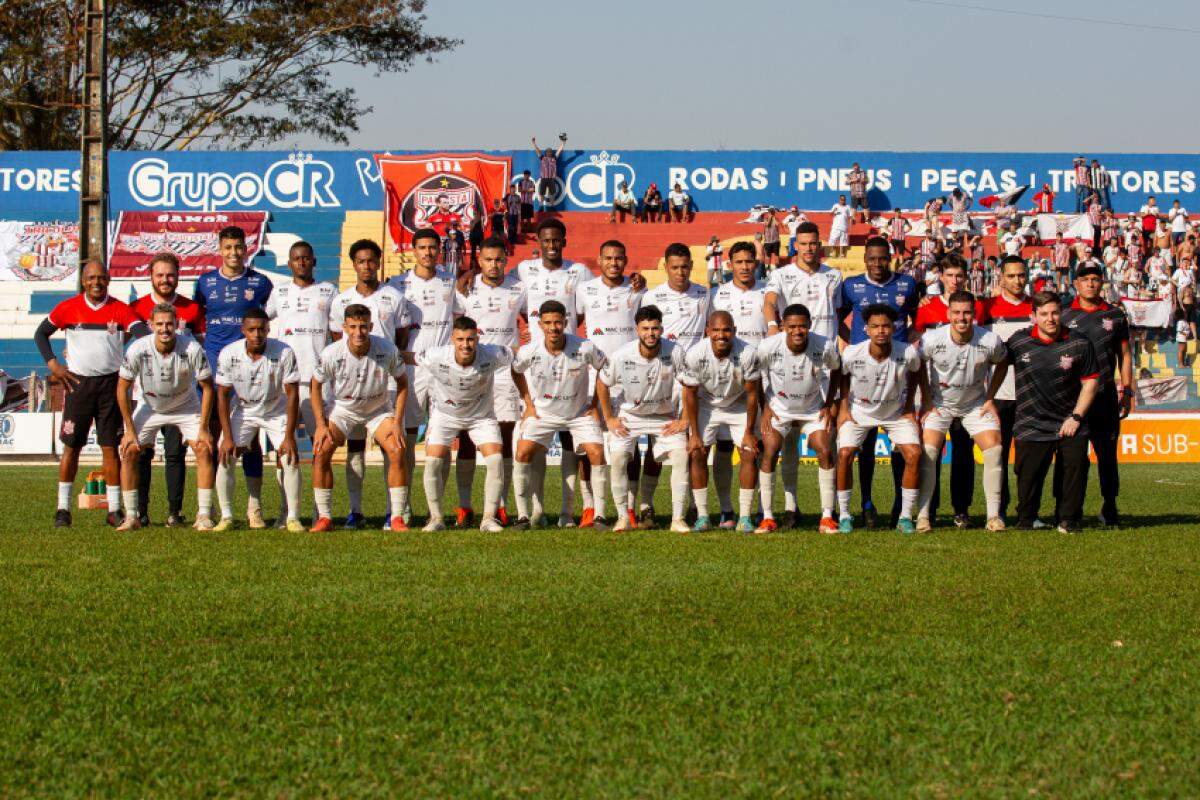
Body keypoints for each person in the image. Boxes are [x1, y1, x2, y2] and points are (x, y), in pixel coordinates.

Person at [35, 259, 145, 527]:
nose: (97, 282)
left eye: (102, 278)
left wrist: (124, 349)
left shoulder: (119, 309)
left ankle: (115, 509)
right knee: (72, 447)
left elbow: (141, 332)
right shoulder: (69, 308)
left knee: (110, 448)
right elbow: (41, 333)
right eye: (91, 278)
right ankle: (63, 508)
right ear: (84, 281)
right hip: (77, 385)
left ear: (108, 280)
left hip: (110, 386)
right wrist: (54, 365)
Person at [762, 221, 843, 526]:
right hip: (789, 361)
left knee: (825, 442)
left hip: (823, 362)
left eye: (813, 243)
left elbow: (839, 314)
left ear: (820, 244)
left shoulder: (834, 274)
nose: (809, 248)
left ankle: (829, 511)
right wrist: (772, 326)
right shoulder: (781, 274)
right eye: (803, 243)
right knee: (787, 446)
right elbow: (769, 302)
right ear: (795, 245)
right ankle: (790, 507)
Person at [415, 317, 528, 532]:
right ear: (452, 340)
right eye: (460, 339)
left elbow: (518, 353)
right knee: (432, 461)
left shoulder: (493, 354)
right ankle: (436, 519)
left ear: (477, 339)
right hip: (445, 416)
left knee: (495, 459)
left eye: (470, 339)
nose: (465, 345)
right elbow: (409, 357)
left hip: (481, 417)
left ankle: (488, 519)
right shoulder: (435, 356)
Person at [192, 225, 273, 527]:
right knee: (213, 438)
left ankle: (254, 507)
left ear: (246, 248)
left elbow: (266, 322)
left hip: (249, 371)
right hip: (214, 373)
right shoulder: (205, 283)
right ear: (220, 249)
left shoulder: (260, 283)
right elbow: (195, 319)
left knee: (249, 440)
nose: (234, 253)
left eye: (238, 247)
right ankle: (209, 507)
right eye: (228, 248)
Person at [837, 236, 918, 528]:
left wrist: (904, 346)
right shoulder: (851, 286)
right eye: (871, 258)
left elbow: (915, 319)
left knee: (901, 447)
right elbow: (837, 318)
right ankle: (866, 503)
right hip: (863, 373)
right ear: (865, 259)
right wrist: (853, 344)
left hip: (896, 372)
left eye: (882, 258)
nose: (877, 263)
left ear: (891, 258)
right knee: (865, 447)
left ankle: (900, 503)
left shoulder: (907, 284)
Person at [329, 238, 408, 528]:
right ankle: (356, 511)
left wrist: (390, 360)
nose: (366, 266)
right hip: (354, 385)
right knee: (355, 448)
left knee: (392, 445)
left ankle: (393, 512)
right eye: (361, 261)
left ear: (379, 263)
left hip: (386, 379)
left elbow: (400, 336)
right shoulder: (341, 301)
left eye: (371, 261)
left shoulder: (394, 296)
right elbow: (338, 341)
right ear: (354, 265)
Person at [114, 303, 214, 530]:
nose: (165, 329)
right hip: (151, 406)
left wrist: (204, 427)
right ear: (151, 325)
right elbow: (122, 388)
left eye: (169, 323)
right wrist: (129, 429)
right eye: (159, 324)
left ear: (177, 324)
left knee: (204, 447)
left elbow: (207, 387)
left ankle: (204, 515)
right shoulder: (138, 348)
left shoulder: (192, 348)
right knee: (129, 450)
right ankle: (131, 516)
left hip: (186, 406)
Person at [310, 304, 410, 532]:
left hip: (378, 408)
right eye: (353, 327)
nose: (358, 332)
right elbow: (315, 386)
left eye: (363, 327)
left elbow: (403, 383)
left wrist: (396, 422)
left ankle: (396, 517)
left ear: (371, 326)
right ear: (344, 327)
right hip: (344, 408)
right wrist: (320, 425)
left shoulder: (386, 349)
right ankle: (325, 518)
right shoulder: (331, 353)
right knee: (321, 450)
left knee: (397, 449)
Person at [1005, 291, 1100, 533]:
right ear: (1033, 316)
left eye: (1055, 312)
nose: (1050, 318)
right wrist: (986, 398)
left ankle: (1068, 519)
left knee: (1075, 467)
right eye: (1044, 314)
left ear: (1062, 313)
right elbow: (994, 363)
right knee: (1028, 478)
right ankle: (1027, 518)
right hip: (1030, 422)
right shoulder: (1018, 341)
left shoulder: (1079, 342)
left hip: (1070, 420)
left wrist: (1076, 416)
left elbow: (1090, 382)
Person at [510, 300, 608, 529]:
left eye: (558, 322)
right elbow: (516, 372)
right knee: (523, 452)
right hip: (544, 413)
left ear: (565, 322)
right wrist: (528, 405)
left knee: (596, 452)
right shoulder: (529, 351)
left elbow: (605, 368)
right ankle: (524, 516)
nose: (553, 328)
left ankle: (600, 516)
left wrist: (595, 404)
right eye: (548, 323)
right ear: (540, 324)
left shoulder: (585, 347)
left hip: (577, 414)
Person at [915, 291, 1008, 532]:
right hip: (940, 404)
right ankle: (923, 516)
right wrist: (926, 399)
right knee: (929, 451)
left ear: (974, 313)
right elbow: (917, 366)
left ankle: (993, 517)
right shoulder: (932, 339)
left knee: (995, 448)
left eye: (967, 312)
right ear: (948, 314)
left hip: (974, 405)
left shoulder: (989, 340)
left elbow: (1004, 362)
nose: (962, 317)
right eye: (956, 312)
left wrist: (990, 398)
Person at [595, 305, 691, 532]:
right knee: (618, 458)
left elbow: (689, 383)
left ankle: (677, 520)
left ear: (662, 329)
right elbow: (602, 382)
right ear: (637, 329)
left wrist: (684, 418)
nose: (651, 333)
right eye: (646, 328)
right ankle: (623, 518)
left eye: (655, 328)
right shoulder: (621, 355)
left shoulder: (675, 351)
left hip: (664, 416)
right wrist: (609, 418)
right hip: (631, 415)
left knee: (680, 456)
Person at [389, 228, 461, 526]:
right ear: (413, 250)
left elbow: (461, 319)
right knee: (405, 438)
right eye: (422, 247)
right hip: (412, 369)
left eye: (433, 247)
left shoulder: (451, 282)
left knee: (441, 438)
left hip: (443, 370)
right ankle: (402, 506)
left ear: (439, 250)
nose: (428, 252)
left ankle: (437, 507)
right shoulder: (398, 285)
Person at [750, 303, 841, 533]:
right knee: (769, 450)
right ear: (783, 327)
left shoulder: (824, 345)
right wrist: (766, 407)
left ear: (810, 325)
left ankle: (827, 517)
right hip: (779, 409)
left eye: (802, 326)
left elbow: (837, 370)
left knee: (825, 450)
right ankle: (768, 517)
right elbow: (756, 375)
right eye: (792, 326)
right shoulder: (769, 346)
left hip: (812, 409)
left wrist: (829, 403)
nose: (797, 331)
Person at [455, 237, 526, 526]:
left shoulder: (519, 288)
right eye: (488, 259)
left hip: (504, 372)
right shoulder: (465, 291)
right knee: (467, 439)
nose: (494, 265)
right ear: (479, 261)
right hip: (472, 372)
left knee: (505, 438)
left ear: (505, 261)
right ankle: (464, 505)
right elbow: (455, 327)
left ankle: (500, 504)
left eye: (499, 259)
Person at [265, 240, 336, 526]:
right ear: (289, 263)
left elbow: (338, 332)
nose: (302, 262)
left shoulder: (329, 291)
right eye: (296, 258)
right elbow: (260, 320)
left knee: (322, 448)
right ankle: (287, 512)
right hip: (285, 383)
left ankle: (322, 513)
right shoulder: (279, 292)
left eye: (306, 258)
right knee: (287, 448)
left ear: (314, 261)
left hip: (318, 382)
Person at [912, 254, 986, 528]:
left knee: (964, 453)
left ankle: (961, 509)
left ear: (966, 278)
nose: (955, 281)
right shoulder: (927, 308)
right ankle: (928, 508)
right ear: (940, 276)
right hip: (936, 396)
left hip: (969, 395)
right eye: (950, 275)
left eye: (959, 276)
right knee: (931, 451)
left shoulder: (976, 308)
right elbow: (916, 347)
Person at [132, 252, 205, 527]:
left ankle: (174, 512)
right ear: (150, 276)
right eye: (160, 275)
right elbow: (122, 345)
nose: (165, 280)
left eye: (170, 275)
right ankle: (140, 511)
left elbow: (201, 346)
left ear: (178, 276)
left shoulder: (192, 309)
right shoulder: (136, 308)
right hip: (147, 395)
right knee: (142, 453)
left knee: (176, 454)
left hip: (181, 396)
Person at [213, 309, 303, 532]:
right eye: (251, 330)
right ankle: (226, 516)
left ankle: (291, 517)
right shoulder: (228, 353)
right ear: (243, 330)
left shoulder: (284, 352)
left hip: (276, 410)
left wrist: (290, 436)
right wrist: (227, 436)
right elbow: (222, 395)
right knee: (225, 455)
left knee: (289, 458)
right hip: (244, 410)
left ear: (268, 329)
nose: (257, 334)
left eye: (261, 329)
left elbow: (292, 394)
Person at [575, 239, 644, 526]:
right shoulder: (585, 289)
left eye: (618, 259)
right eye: (608, 258)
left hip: (629, 377)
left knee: (631, 441)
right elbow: (572, 323)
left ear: (625, 261)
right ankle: (590, 505)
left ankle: (629, 506)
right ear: (599, 260)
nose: (614, 263)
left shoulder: (638, 289)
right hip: (593, 376)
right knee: (590, 442)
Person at [641, 243, 711, 524]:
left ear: (691, 266)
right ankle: (646, 505)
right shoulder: (652, 296)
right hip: (662, 379)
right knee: (655, 446)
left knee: (695, 446)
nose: (680, 272)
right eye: (674, 267)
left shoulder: (705, 294)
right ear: (665, 267)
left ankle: (695, 506)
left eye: (685, 267)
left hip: (695, 382)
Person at [1061, 264, 1133, 526]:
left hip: (1104, 398)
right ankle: (1068, 509)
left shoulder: (1114, 315)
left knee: (1107, 456)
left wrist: (1127, 391)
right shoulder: (1065, 315)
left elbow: (1124, 355)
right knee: (1072, 457)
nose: (1090, 283)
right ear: (1076, 284)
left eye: (1095, 279)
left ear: (1102, 283)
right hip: (1072, 399)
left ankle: (1110, 506)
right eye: (1085, 279)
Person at [680, 310, 762, 532]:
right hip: (706, 405)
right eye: (716, 330)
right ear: (707, 331)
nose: (721, 335)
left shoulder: (748, 353)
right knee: (697, 452)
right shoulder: (695, 354)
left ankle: (744, 516)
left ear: (734, 331)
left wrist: (749, 431)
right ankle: (703, 515)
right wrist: (694, 433)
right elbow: (689, 394)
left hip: (738, 405)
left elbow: (753, 394)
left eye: (726, 330)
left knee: (748, 451)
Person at [983, 255, 1033, 522]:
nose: (1017, 280)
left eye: (1021, 275)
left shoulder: (1037, 308)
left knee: (1027, 459)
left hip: (1030, 397)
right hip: (998, 397)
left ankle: (1027, 511)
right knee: (997, 455)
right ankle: (998, 510)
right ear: (1001, 277)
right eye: (1011, 275)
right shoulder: (986, 308)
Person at [531, 134, 566, 211]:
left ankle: (552, 206)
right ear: (546, 153)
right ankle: (540, 207)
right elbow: (538, 151)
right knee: (541, 193)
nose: (549, 153)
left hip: (551, 178)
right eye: (548, 152)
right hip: (544, 178)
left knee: (552, 193)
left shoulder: (554, 158)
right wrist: (534, 143)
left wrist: (563, 143)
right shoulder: (542, 158)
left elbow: (559, 151)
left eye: (550, 152)